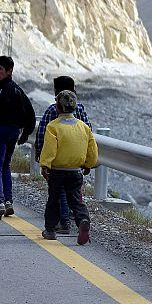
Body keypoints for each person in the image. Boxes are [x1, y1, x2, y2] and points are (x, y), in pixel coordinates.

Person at [0, 55, 35, 220]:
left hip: (0, 131)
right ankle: (9, 202)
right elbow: (30, 113)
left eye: (0, 69)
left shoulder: (1, 89)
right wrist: (25, 133)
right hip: (14, 132)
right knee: (6, 166)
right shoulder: (18, 90)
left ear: (9, 71)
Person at [34, 76, 92, 235]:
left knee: (55, 198)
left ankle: (53, 228)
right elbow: (90, 142)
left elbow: (47, 144)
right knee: (75, 198)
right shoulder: (83, 122)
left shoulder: (53, 122)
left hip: (57, 167)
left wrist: (44, 163)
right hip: (75, 168)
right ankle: (82, 220)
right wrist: (88, 163)